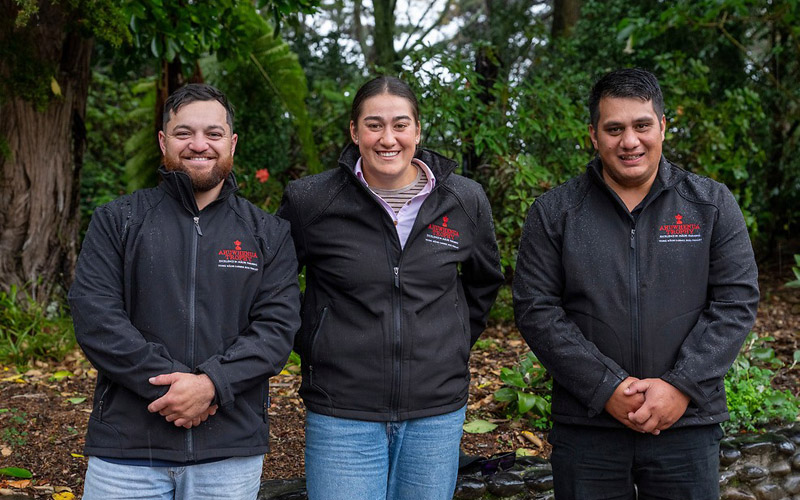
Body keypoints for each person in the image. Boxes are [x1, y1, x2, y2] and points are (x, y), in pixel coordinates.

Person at [512, 68, 759, 499]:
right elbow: (536, 309)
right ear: (593, 135)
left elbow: (736, 302)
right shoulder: (554, 212)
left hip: (686, 424)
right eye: (614, 129)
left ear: (662, 126)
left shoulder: (710, 204)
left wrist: (680, 385)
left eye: (642, 125)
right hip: (588, 427)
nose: (630, 141)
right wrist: (606, 387)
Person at [69, 83, 301, 500]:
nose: (199, 144)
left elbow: (277, 329)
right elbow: (95, 317)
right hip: (127, 451)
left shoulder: (268, 232)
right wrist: (173, 391)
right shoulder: (117, 220)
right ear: (163, 141)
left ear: (232, 143)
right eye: (184, 133)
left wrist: (212, 384)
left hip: (228, 452)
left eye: (213, 133)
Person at [277, 75, 504, 500]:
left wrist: (449, 342)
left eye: (400, 125)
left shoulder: (464, 200)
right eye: (374, 125)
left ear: (418, 131)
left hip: (435, 412)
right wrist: (313, 340)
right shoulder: (311, 201)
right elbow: (276, 284)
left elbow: (483, 283)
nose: (388, 138)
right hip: (341, 410)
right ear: (354, 131)